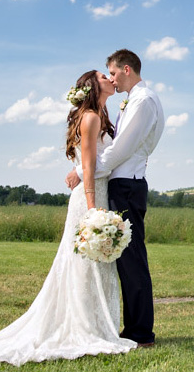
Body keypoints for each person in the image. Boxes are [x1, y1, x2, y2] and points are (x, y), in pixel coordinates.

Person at [0, 70, 137, 365]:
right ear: (94, 86)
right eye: (103, 76)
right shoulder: (91, 118)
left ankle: (96, 325)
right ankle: (85, 327)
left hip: (100, 193)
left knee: (95, 264)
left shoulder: (101, 115)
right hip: (90, 197)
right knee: (84, 264)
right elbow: (89, 166)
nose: (110, 78)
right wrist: (94, 209)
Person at [66, 48, 164, 347]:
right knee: (123, 260)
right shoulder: (133, 101)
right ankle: (126, 326)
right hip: (120, 184)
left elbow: (121, 149)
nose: (111, 79)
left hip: (127, 185)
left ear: (125, 70)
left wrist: (82, 174)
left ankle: (140, 332)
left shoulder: (143, 100)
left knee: (132, 260)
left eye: (112, 72)